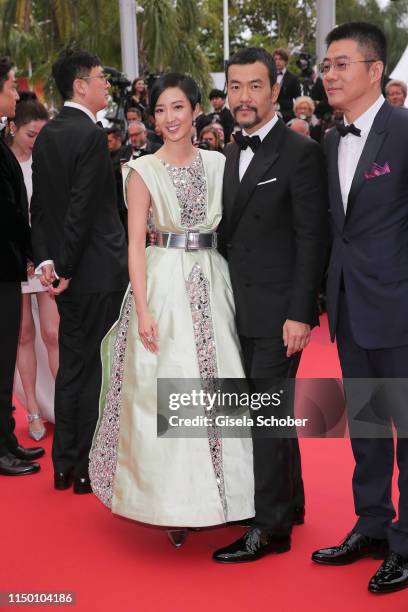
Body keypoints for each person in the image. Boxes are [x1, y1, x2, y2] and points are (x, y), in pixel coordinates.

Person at [89, 73, 254, 549]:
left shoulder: (221, 164)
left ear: (196, 109)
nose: (168, 119)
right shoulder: (143, 170)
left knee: (221, 383)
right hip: (163, 282)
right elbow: (136, 246)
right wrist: (141, 310)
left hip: (213, 276)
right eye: (160, 110)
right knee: (169, 389)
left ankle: (233, 494)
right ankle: (174, 505)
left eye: (177, 108)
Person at [214, 47, 328, 563]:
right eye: (235, 86)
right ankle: (291, 503)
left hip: (280, 312)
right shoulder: (231, 154)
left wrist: (301, 312)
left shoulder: (300, 152)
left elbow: (312, 239)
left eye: (254, 86)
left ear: (274, 91)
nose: (243, 97)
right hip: (239, 309)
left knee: (265, 418)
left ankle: (270, 528)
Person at [311, 21, 408, 595]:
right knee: (368, 428)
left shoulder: (403, 131)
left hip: (400, 306)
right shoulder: (330, 140)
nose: (329, 74)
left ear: (375, 71)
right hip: (349, 308)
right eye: (326, 65)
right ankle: (371, 524)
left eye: (342, 64)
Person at [30, 48, 128, 494]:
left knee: (72, 366)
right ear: (79, 86)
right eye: (100, 77)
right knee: (97, 369)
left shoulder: (48, 134)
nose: (106, 84)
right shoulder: (89, 135)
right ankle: (87, 465)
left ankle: (64, 464)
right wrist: (65, 265)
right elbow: (82, 209)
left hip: (66, 273)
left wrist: (49, 264)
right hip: (95, 272)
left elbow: (41, 208)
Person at [0, 56, 45, 475]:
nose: (17, 92)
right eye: (12, 85)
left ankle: (6, 439)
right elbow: (10, 212)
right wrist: (30, 250)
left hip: (13, 263)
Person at [8, 98, 58, 440]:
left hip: (44, 258)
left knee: (53, 334)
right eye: (30, 134)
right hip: (14, 259)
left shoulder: (46, 162)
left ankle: (65, 408)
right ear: (13, 128)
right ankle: (34, 413)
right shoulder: (5, 163)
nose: (35, 141)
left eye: (41, 134)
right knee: (23, 334)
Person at [273, 48, 301, 123]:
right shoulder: (269, 77)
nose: (277, 62)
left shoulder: (293, 78)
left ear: (285, 61)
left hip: (287, 115)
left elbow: (298, 98)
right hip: (270, 114)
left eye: (280, 59)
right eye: (275, 59)